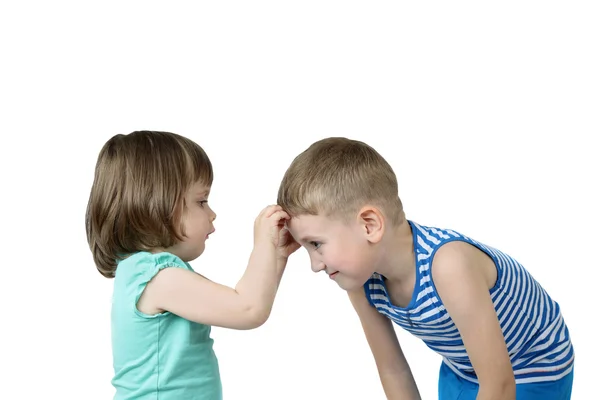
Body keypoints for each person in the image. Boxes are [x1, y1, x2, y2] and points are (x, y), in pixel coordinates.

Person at [277, 137, 574, 400]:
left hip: (533, 368)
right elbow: (393, 370)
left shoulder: (448, 266)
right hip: (463, 369)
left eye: (316, 244)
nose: (315, 265)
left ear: (369, 225)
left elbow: (499, 384)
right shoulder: (361, 282)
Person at [85, 130, 299, 400]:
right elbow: (248, 308)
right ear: (155, 203)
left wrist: (278, 256)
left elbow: (248, 304)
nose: (212, 213)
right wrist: (265, 245)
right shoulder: (158, 278)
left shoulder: (143, 273)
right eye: (201, 201)